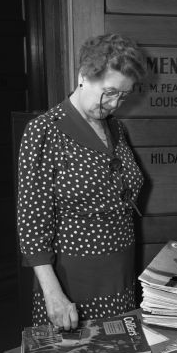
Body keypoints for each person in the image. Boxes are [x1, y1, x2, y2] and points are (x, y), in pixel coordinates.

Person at [17, 33, 146, 329]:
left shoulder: (117, 128)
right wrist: (53, 294)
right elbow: (32, 222)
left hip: (120, 271)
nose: (115, 103)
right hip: (73, 281)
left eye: (123, 96)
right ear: (83, 76)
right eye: (109, 92)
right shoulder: (44, 132)